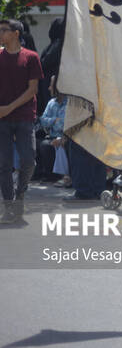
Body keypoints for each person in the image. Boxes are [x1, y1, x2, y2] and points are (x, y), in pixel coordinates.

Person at [0, 19, 43, 224]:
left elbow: (32, 90)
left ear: (16, 33)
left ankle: (21, 193)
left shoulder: (31, 57)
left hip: (25, 116)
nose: (0, 33)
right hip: (2, 119)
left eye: (3, 30)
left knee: (28, 160)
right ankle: (10, 206)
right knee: (4, 165)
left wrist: (9, 107)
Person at [34, 75, 68, 183]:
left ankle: (55, 176)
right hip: (52, 135)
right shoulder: (51, 103)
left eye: (51, 85)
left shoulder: (69, 103)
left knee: (46, 145)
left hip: (66, 136)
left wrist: (53, 122)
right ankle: (40, 173)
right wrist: (55, 120)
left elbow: (63, 125)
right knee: (36, 142)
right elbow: (43, 120)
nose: (49, 88)